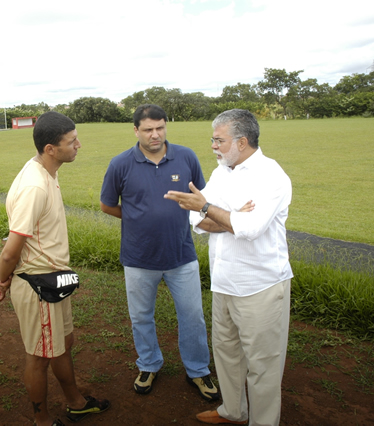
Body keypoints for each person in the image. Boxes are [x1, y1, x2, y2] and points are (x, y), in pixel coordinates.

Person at [164, 108, 293, 425]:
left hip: (260, 287)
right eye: (213, 139)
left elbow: (250, 229)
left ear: (242, 141)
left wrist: (212, 209)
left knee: (263, 364)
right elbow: (196, 219)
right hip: (224, 284)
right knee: (226, 352)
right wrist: (231, 215)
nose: (213, 146)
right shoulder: (223, 173)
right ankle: (234, 411)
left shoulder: (271, 176)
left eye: (218, 140)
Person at [0, 111, 110, 426]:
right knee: (39, 357)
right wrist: (3, 280)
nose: (78, 145)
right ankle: (41, 420)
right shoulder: (35, 187)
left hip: (53, 280)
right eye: (72, 142)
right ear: (50, 149)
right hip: (37, 285)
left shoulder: (46, 172)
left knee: (63, 345)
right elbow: (11, 248)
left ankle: (76, 403)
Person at [100, 104, 220, 401]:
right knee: (141, 316)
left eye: (160, 128)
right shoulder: (120, 164)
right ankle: (149, 364)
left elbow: (201, 199)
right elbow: (107, 204)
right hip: (139, 257)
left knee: (192, 315)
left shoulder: (186, 157)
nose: (156, 134)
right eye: (148, 129)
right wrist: (138, 218)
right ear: (136, 130)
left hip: (181, 254)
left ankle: (198, 369)